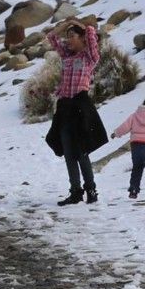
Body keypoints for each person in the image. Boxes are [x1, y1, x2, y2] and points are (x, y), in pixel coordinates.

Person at [44, 18, 108, 206]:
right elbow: (51, 37)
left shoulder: (89, 57)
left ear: (82, 39)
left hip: (80, 106)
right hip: (64, 107)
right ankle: (75, 191)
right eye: (67, 37)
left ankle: (91, 189)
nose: (68, 40)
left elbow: (91, 32)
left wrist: (76, 23)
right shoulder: (66, 56)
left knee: (81, 151)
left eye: (72, 36)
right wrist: (65, 26)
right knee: (68, 152)